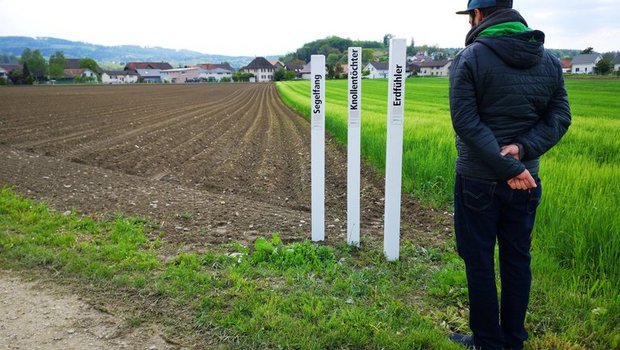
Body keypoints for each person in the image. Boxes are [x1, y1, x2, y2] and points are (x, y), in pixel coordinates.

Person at [448, 0, 572, 349]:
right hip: (527, 183)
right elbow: (560, 117)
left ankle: (488, 341)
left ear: (480, 15)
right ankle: (514, 338)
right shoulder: (548, 59)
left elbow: (466, 122)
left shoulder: (469, 58)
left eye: (470, 15)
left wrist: (509, 165)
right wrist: (522, 151)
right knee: (517, 257)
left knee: (479, 260)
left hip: (478, 181)